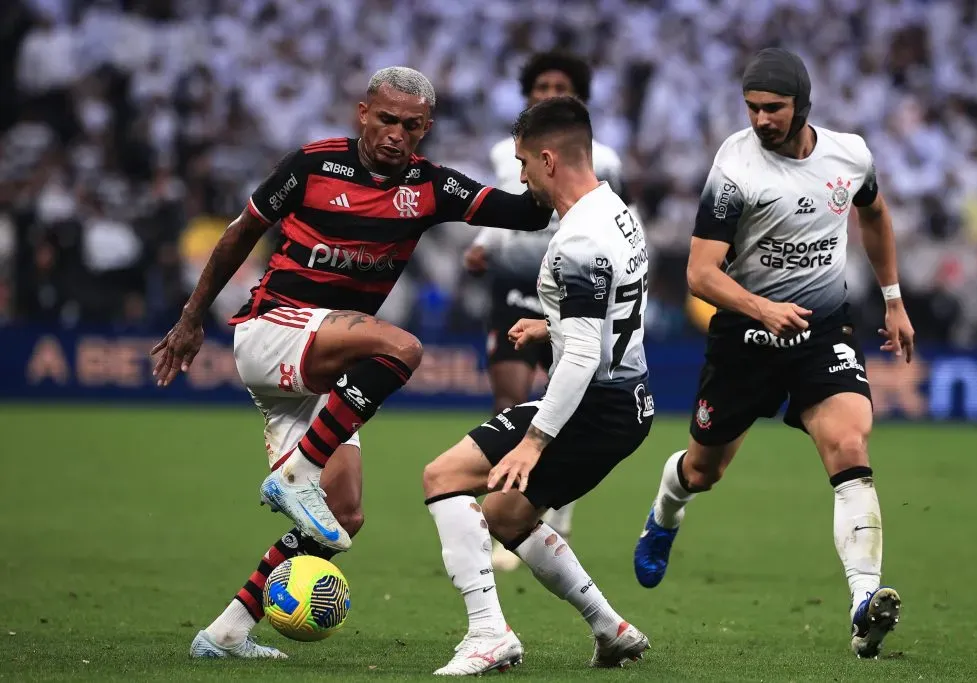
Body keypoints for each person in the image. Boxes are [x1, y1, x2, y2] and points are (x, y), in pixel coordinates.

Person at [150, 66, 554, 659]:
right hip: (272, 329)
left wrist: (548, 163)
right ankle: (295, 474)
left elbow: (529, 214)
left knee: (342, 516)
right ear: (363, 113)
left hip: (325, 366)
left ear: (425, 129)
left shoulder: (431, 187)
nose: (396, 134)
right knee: (403, 348)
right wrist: (191, 318)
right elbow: (240, 233)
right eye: (386, 119)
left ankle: (227, 632)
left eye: (411, 126)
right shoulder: (312, 166)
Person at [633, 48, 915, 660]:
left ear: (802, 105)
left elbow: (874, 214)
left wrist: (893, 300)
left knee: (850, 444)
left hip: (821, 331)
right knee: (704, 471)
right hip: (745, 337)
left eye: (774, 108)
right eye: (753, 108)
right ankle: (665, 513)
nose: (761, 119)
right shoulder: (734, 168)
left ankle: (864, 602)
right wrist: (761, 309)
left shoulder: (850, 155)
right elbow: (699, 273)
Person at [422, 96, 653, 676]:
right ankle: (611, 629)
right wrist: (551, 325)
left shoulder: (578, 240)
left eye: (524, 163)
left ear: (548, 160)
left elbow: (583, 356)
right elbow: (611, 313)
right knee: (505, 514)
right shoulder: (617, 213)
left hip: (594, 404)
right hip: (628, 401)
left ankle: (488, 634)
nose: (521, 178)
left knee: (443, 477)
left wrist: (534, 441)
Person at [464, 51, 629, 572]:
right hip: (517, 280)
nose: (549, 93)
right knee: (509, 397)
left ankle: (552, 507)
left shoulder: (604, 160)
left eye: (560, 86)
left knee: (569, 389)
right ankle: (509, 509)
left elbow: (615, 218)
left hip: (575, 282)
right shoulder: (505, 152)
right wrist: (484, 245)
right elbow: (504, 209)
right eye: (541, 86)